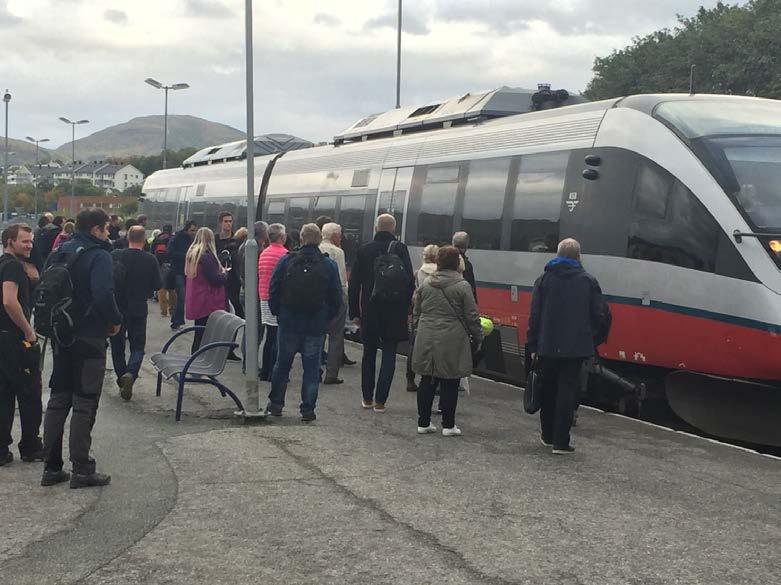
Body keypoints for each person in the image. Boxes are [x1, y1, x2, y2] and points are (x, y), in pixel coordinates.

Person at [42, 208, 121, 488]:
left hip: (61, 335)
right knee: (85, 401)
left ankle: (51, 467)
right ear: (97, 230)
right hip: (89, 335)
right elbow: (103, 294)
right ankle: (82, 468)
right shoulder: (99, 255)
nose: (109, 233)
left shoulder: (60, 250)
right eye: (106, 228)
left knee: (58, 399)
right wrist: (114, 321)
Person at [527, 238, 605, 455]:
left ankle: (547, 436)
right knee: (567, 392)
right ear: (578, 257)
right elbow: (599, 315)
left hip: (547, 345)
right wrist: (590, 338)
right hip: (576, 347)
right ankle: (561, 442)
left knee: (548, 389)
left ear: (557, 255)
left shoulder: (543, 280)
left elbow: (534, 315)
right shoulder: (588, 281)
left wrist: (533, 343)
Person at [266, 224, 342, 421]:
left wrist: (278, 313)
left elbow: (273, 289)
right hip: (315, 326)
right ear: (319, 240)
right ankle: (307, 410)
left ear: (300, 239)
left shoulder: (286, 260)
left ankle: (276, 404)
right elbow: (336, 297)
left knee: (282, 365)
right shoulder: (329, 265)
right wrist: (326, 318)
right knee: (311, 369)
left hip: (289, 322)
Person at [413, 246, 482, 437]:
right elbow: (471, 316)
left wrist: (418, 331)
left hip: (427, 334)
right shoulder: (462, 286)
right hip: (452, 338)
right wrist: (478, 337)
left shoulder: (426, 283)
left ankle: (423, 422)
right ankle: (448, 425)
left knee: (426, 379)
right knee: (450, 381)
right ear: (456, 262)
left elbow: (416, 312)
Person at [348, 213, 414, 413]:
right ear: (394, 229)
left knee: (368, 354)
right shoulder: (401, 249)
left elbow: (354, 284)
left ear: (376, 228)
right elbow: (409, 282)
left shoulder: (365, 250)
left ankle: (367, 399)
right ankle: (381, 402)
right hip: (394, 310)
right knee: (389, 354)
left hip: (370, 309)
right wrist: (406, 308)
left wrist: (355, 312)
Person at [0, 224, 43, 466]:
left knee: (3, 394)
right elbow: (9, 300)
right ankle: (30, 447)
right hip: (16, 340)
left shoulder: (1, 264)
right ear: (9, 242)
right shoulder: (14, 267)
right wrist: (28, 331)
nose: (29, 245)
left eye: (30, 241)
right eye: (24, 241)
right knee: (29, 393)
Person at [110, 226, 162, 401]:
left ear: (128, 238)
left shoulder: (116, 255)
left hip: (117, 308)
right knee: (138, 346)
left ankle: (121, 377)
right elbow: (157, 285)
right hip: (139, 308)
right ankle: (131, 373)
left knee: (117, 346)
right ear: (144, 239)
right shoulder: (150, 259)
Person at [184, 227, 227, 353]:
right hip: (208, 301)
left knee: (199, 333)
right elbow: (214, 279)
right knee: (206, 334)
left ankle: (194, 358)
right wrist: (225, 274)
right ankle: (200, 362)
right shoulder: (207, 257)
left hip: (197, 298)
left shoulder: (192, 255)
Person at [406, 244, 439, 392]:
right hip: (436, 312)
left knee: (414, 345)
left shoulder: (419, 272)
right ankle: (432, 379)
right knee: (436, 346)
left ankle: (410, 378)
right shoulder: (439, 273)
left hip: (419, 311)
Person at [257, 223, 288, 380]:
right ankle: (273, 372)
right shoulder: (284, 254)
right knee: (277, 337)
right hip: (278, 300)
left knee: (270, 336)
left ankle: (265, 370)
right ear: (281, 237)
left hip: (264, 297)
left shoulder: (264, 253)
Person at [319, 222, 348, 384]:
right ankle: (331, 374)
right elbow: (342, 279)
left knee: (319, 334)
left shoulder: (317, 249)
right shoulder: (338, 252)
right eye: (340, 234)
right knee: (336, 336)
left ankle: (315, 369)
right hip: (336, 297)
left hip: (318, 297)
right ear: (335, 236)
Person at [167, 220, 197, 330]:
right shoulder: (176, 239)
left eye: (195, 231)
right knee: (182, 296)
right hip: (178, 271)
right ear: (186, 230)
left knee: (183, 297)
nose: (194, 233)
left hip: (187, 271)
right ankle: (177, 320)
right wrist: (186, 256)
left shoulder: (192, 240)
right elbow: (170, 253)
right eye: (192, 230)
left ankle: (177, 319)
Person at [215, 211, 243, 321]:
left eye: (230, 221)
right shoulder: (215, 239)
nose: (228, 224)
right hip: (220, 276)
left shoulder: (236, 240)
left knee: (235, 302)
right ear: (220, 223)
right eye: (226, 221)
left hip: (234, 277)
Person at [151, 225, 174, 317]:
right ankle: (172, 309)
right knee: (172, 288)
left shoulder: (156, 239)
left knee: (162, 288)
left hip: (159, 264)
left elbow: (152, 252)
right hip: (170, 264)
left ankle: (163, 311)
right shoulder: (172, 238)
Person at [452, 232, 477, 303]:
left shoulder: (443, 260)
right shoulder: (467, 264)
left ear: (453, 244)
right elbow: (470, 291)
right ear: (466, 246)